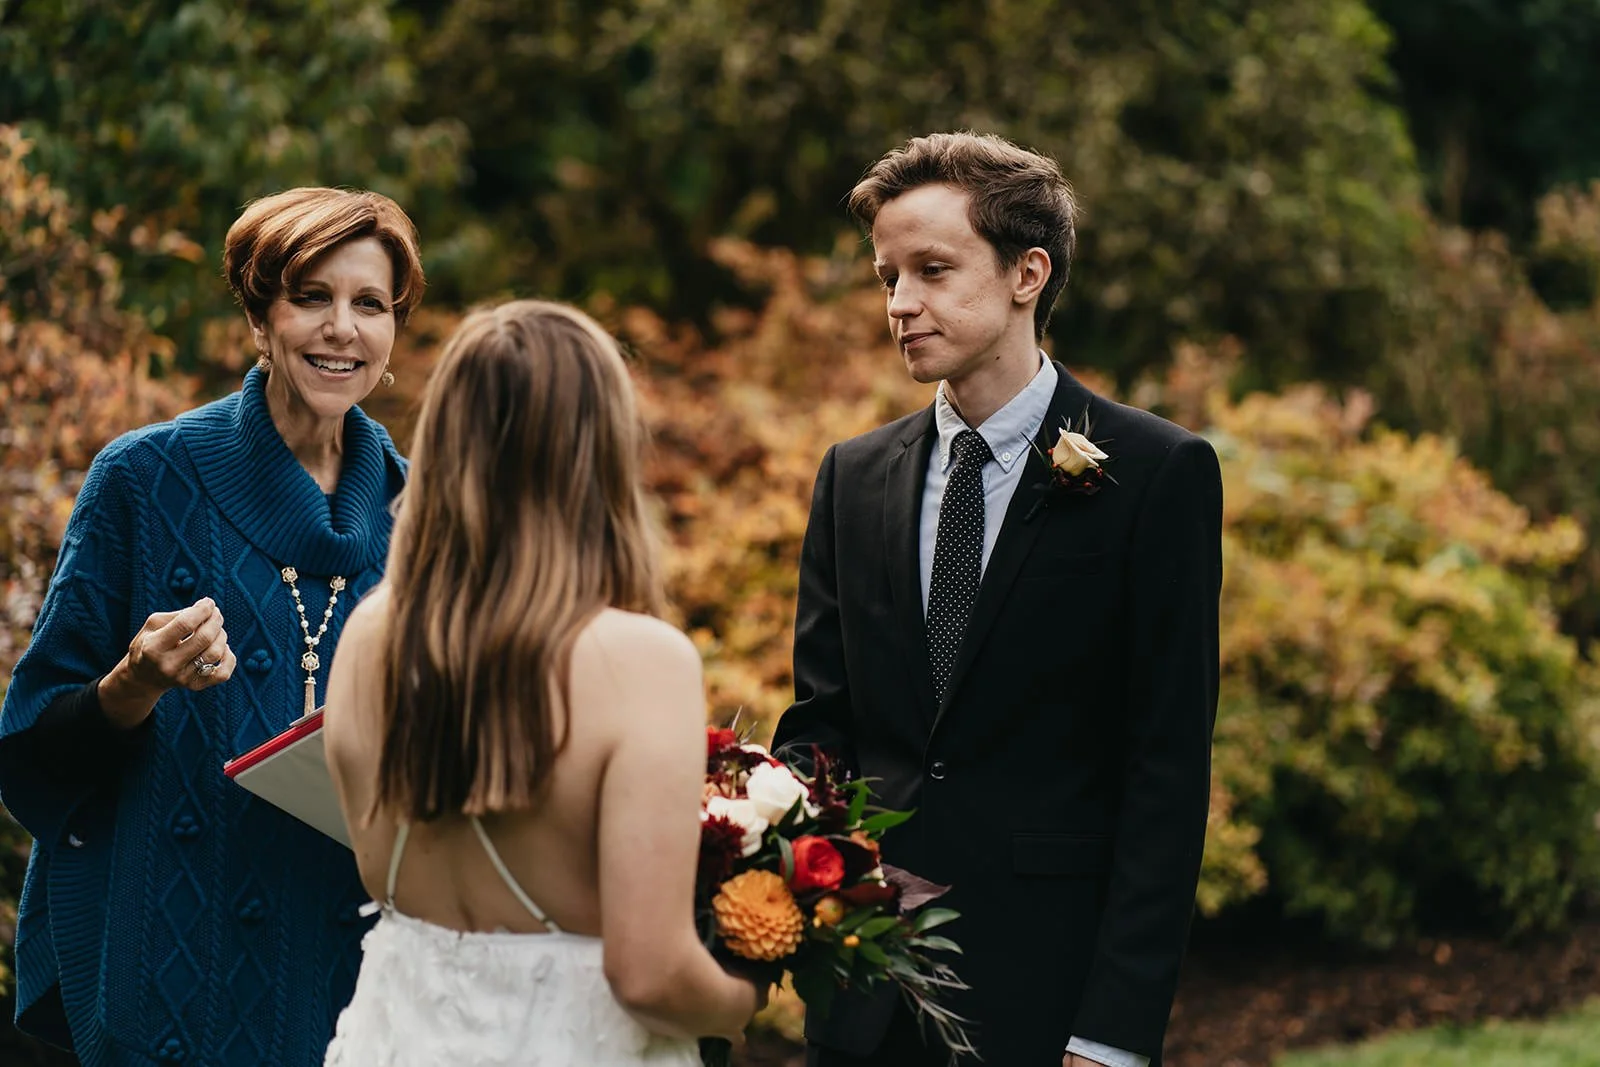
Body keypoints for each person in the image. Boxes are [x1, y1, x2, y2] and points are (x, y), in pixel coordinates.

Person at [772, 132, 1223, 1067]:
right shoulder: (851, 476)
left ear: (1029, 272)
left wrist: (1111, 1032)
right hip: (862, 996)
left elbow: (1165, 772)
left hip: (1048, 1000)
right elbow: (821, 726)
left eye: (932, 270)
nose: (900, 303)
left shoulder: (1157, 473)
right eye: (888, 275)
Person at [0, 187, 423, 1065]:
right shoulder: (144, 480)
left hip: (356, 980)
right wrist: (134, 684)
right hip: (168, 963)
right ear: (260, 316)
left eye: (369, 304)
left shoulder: (429, 513)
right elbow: (32, 753)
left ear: (393, 335)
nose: (341, 327)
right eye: (311, 296)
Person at [319, 300, 764, 1066]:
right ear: (597, 454)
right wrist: (742, 995)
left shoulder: (368, 634)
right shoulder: (642, 661)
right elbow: (650, 973)